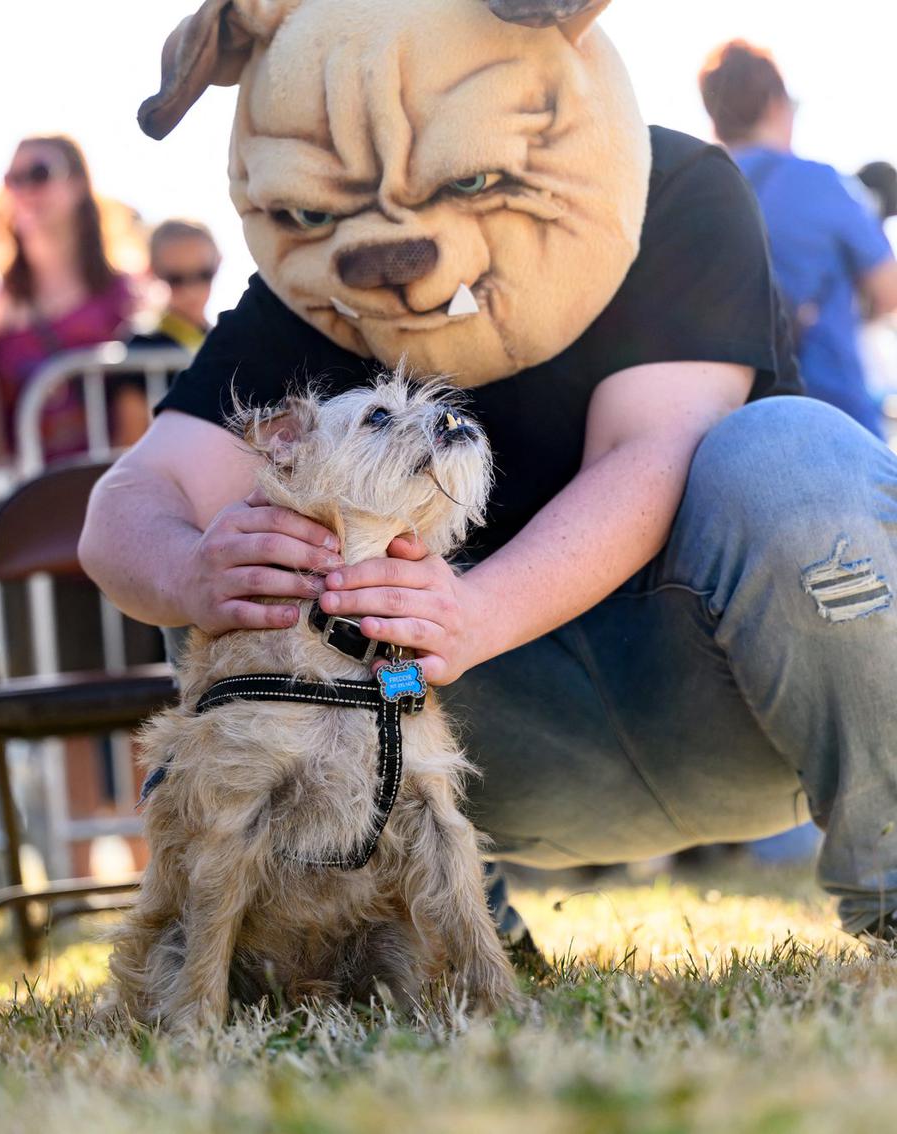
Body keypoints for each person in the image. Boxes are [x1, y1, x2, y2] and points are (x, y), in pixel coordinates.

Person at [81, 0, 897, 948]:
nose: (396, 248)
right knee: (246, 578)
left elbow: (651, 450)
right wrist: (195, 570)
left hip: (738, 706)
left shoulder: (672, 184)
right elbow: (130, 505)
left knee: (794, 451)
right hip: (482, 758)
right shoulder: (318, 272)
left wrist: (465, 617)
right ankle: (450, 932)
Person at [698, 40, 897, 439]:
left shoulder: (694, 189)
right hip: (833, 418)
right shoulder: (820, 182)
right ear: (775, 103)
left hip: (720, 431)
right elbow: (889, 289)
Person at [0, 135, 139, 465]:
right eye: (12, 179)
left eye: (39, 173)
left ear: (77, 184)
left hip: (114, 485)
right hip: (33, 501)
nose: (24, 189)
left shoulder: (127, 296)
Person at [115, 218, 221, 447]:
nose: (192, 290)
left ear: (218, 264)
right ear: (154, 273)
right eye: (177, 279)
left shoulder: (224, 338)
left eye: (203, 274)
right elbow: (130, 441)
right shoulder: (141, 346)